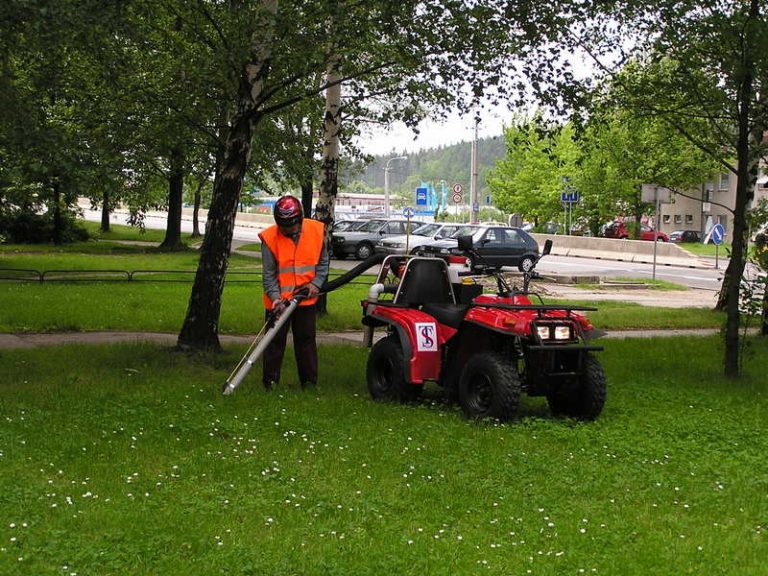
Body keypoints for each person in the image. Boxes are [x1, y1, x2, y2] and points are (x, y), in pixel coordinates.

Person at [259, 195, 329, 391]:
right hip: (279, 301)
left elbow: (323, 263)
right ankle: (270, 382)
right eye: (283, 226)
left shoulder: (316, 231)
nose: (287, 230)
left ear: (299, 219)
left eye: (291, 225)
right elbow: (269, 275)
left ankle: (309, 382)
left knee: (306, 341)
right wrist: (276, 300)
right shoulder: (270, 238)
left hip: (305, 299)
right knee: (274, 342)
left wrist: (316, 283)